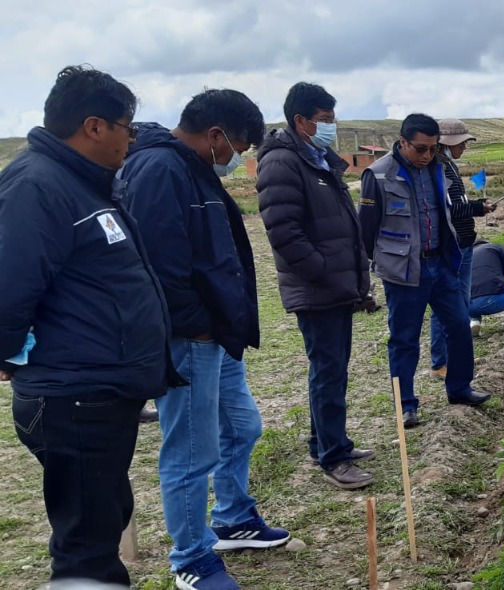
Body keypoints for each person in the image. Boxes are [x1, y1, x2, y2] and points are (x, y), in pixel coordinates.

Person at [0, 65, 172, 587]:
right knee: (87, 552)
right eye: (127, 127)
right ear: (94, 126)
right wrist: (6, 353)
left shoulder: (82, 183)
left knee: (104, 519)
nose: (131, 138)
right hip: (72, 395)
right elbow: (9, 285)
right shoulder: (37, 187)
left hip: (97, 391)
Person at [121, 89, 290, 589]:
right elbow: (157, 265)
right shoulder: (159, 169)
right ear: (216, 135)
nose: (238, 159)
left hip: (213, 331)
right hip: (188, 336)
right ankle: (191, 558)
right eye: (239, 147)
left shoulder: (190, 168)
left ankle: (233, 518)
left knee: (242, 426)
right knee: (192, 452)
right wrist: (195, 324)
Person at [256, 82, 376, 490]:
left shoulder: (317, 159)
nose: (331, 126)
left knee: (332, 369)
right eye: (325, 119)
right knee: (327, 372)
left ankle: (324, 442)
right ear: (300, 120)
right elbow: (283, 231)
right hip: (317, 288)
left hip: (335, 285)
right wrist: (323, 270)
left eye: (333, 118)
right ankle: (334, 458)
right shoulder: (283, 162)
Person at [359, 113, 491, 428]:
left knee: (459, 326)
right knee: (404, 339)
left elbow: (448, 210)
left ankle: (459, 388)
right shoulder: (378, 175)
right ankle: (406, 405)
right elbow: (365, 230)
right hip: (404, 272)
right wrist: (378, 267)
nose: (428, 155)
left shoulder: (438, 168)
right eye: (420, 149)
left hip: (440, 265)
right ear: (402, 142)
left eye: (433, 149)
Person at [428, 118, 492, 380]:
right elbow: (448, 208)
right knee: (446, 305)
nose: (464, 147)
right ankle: (440, 362)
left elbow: (456, 202)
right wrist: (477, 208)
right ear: (446, 143)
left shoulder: (449, 165)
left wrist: (476, 205)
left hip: (463, 244)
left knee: (460, 304)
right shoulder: (437, 167)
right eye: (461, 143)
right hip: (452, 247)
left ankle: (454, 357)